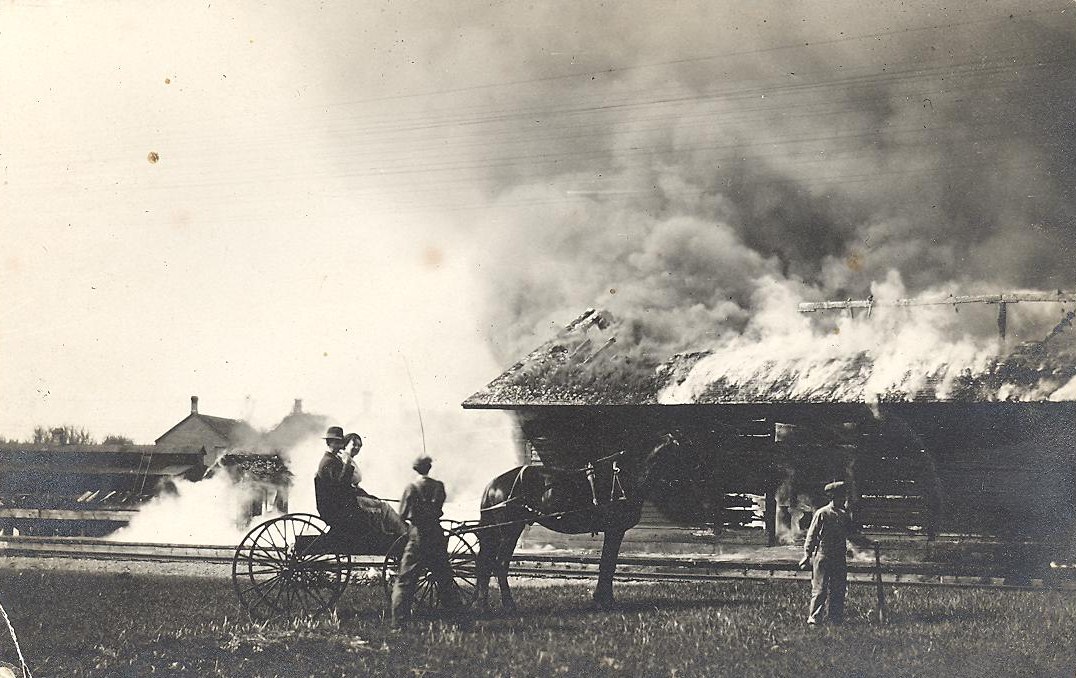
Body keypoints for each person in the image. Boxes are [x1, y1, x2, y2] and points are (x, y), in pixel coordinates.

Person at [390, 455, 461, 628]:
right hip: (436, 535)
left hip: (418, 537)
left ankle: (399, 622)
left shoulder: (411, 488)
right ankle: (457, 620)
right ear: (429, 468)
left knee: (405, 581)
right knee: (445, 579)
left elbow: (402, 514)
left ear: (415, 469)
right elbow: (439, 508)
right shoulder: (439, 486)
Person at [314, 426, 405, 552]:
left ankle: (399, 533)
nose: (340, 445)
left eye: (341, 442)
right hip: (339, 508)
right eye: (336, 442)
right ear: (329, 443)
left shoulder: (332, 460)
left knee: (381, 506)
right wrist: (347, 463)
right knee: (384, 507)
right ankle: (405, 535)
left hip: (342, 504)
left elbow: (344, 486)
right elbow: (342, 485)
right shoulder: (328, 462)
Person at [798, 480, 873, 625]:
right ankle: (814, 619)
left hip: (839, 557)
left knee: (838, 589)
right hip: (823, 556)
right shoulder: (822, 513)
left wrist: (869, 542)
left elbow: (852, 535)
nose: (843, 499)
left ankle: (835, 619)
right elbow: (812, 536)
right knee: (820, 589)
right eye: (840, 496)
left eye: (844, 496)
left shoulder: (844, 515)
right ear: (832, 497)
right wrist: (807, 555)